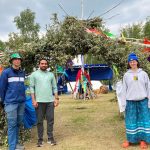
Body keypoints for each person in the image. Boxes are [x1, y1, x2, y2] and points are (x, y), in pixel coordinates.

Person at [121, 53, 150, 149]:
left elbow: (148, 88)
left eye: (134, 61)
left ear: (137, 62)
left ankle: (143, 140)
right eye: (130, 61)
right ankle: (130, 139)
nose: (132, 63)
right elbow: (124, 90)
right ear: (129, 63)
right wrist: (123, 104)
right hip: (130, 102)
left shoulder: (143, 74)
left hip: (143, 101)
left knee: (144, 121)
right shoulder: (126, 75)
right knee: (130, 121)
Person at [30, 58, 59, 147]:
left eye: (45, 63)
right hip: (39, 102)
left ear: (47, 65)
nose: (44, 65)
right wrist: (33, 100)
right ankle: (40, 140)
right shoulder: (34, 75)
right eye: (42, 63)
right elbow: (31, 88)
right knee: (39, 121)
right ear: (39, 64)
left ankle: (50, 138)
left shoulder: (51, 75)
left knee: (50, 120)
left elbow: (54, 87)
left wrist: (56, 98)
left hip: (50, 101)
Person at [0, 53, 26, 150]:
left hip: (21, 103)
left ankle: (16, 145)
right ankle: (12, 147)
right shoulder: (6, 73)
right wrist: (3, 101)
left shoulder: (22, 72)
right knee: (12, 124)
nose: (17, 61)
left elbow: (22, 87)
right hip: (10, 103)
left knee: (18, 123)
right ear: (11, 61)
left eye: (19, 59)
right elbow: (1, 88)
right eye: (15, 59)